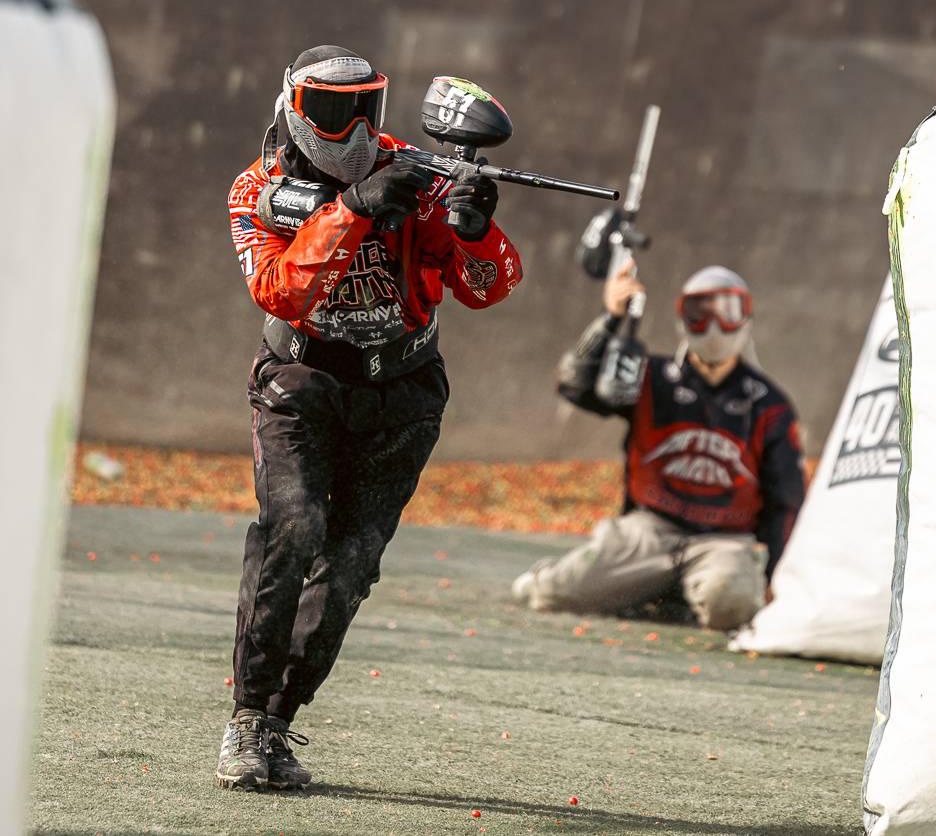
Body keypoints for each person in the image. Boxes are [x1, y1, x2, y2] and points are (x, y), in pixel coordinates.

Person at [219, 45, 523, 790]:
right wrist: (354, 209)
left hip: (403, 392)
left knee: (352, 562)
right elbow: (280, 291)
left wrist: (475, 229)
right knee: (293, 529)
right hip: (301, 384)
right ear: (294, 109)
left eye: (367, 108)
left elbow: (488, 288)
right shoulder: (257, 189)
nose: (354, 128)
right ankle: (247, 718)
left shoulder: (415, 176)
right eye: (333, 110)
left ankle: (278, 720)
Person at [511, 255, 804, 632]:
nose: (714, 326)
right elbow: (572, 385)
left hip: (724, 543)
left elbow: (787, 503)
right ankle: (633, 587)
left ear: (746, 319)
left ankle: (670, 595)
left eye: (727, 311)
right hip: (648, 531)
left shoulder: (769, 406)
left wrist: (776, 577)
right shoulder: (650, 377)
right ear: (682, 318)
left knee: (731, 603)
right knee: (553, 594)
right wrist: (610, 318)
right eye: (700, 312)